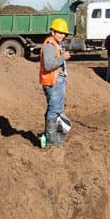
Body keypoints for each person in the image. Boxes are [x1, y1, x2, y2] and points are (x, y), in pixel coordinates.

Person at [39, 18, 72, 147]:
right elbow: (48, 65)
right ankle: (52, 141)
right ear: (52, 32)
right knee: (55, 110)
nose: (62, 35)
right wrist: (62, 58)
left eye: (64, 33)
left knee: (53, 109)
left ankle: (50, 138)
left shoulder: (55, 44)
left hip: (56, 81)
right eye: (59, 32)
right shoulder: (49, 45)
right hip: (53, 83)